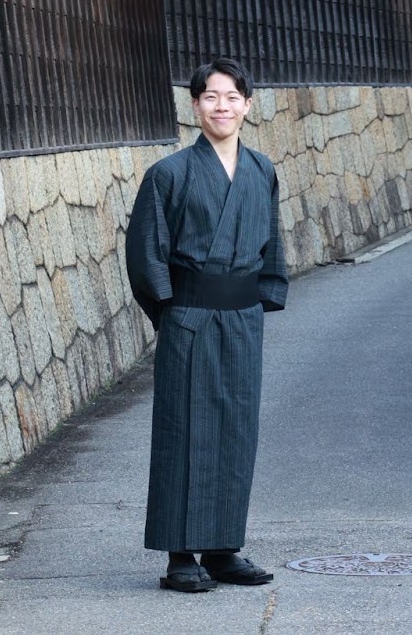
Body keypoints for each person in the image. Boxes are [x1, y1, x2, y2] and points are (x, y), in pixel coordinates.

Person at [125, 58, 287, 592]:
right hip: (190, 317)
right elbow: (146, 254)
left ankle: (223, 548)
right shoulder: (168, 175)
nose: (223, 107)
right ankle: (179, 554)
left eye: (233, 97)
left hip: (241, 318)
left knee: (236, 430)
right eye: (211, 97)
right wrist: (173, 313)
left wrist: (262, 297)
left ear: (247, 104)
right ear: (194, 105)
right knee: (184, 429)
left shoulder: (262, 170)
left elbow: (271, 243)